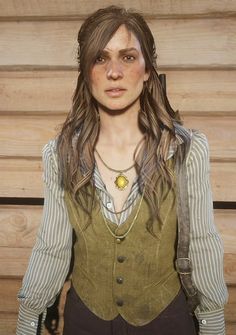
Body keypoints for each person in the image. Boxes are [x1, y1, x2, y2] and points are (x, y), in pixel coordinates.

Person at [16, 5, 228, 335]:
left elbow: (202, 242)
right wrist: (28, 322)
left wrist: (212, 323)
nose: (114, 71)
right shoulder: (60, 154)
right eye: (100, 58)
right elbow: (51, 247)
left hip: (166, 322)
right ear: (86, 72)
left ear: (147, 69)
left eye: (127, 57)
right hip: (86, 321)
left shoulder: (187, 150)